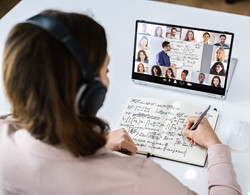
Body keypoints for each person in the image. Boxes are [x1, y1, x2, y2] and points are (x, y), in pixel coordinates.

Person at [0, 10, 241, 195]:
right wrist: (215, 146)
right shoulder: (137, 178)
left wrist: (97, 143)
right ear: (89, 93)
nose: (108, 78)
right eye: (106, 68)